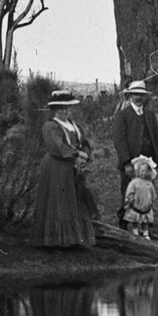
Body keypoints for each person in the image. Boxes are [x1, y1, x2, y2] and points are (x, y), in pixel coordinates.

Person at [29, 90, 96, 249]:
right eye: (60, 108)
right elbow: (57, 146)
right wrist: (76, 154)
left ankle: (75, 239)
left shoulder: (74, 126)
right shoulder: (51, 126)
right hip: (57, 166)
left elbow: (84, 143)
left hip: (74, 167)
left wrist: (85, 154)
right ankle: (56, 241)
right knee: (59, 201)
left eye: (66, 108)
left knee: (75, 200)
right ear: (54, 109)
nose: (64, 111)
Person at [111, 79, 158, 228]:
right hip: (131, 161)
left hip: (148, 161)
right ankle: (124, 224)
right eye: (135, 94)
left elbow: (157, 136)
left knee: (147, 192)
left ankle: (145, 224)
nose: (138, 98)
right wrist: (126, 162)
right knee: (128, 193)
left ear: (145, 97)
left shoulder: (149, 115)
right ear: (130, 96)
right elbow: (120, 140)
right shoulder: (123, 115)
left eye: (141, 95)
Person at [122, 155, 158, 239]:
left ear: (149, 172)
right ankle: (135, 232)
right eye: (141, 171)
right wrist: (129, 199)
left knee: (145, 219)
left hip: (146, 204)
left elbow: (153, 193)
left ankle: (145, 232)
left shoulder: (149, 183)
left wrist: (153, 201)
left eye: (146, 171)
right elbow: (129, 192)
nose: (143, 173)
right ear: (138, 172)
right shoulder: (134, 182)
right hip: (136, 204)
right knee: (135, 218)